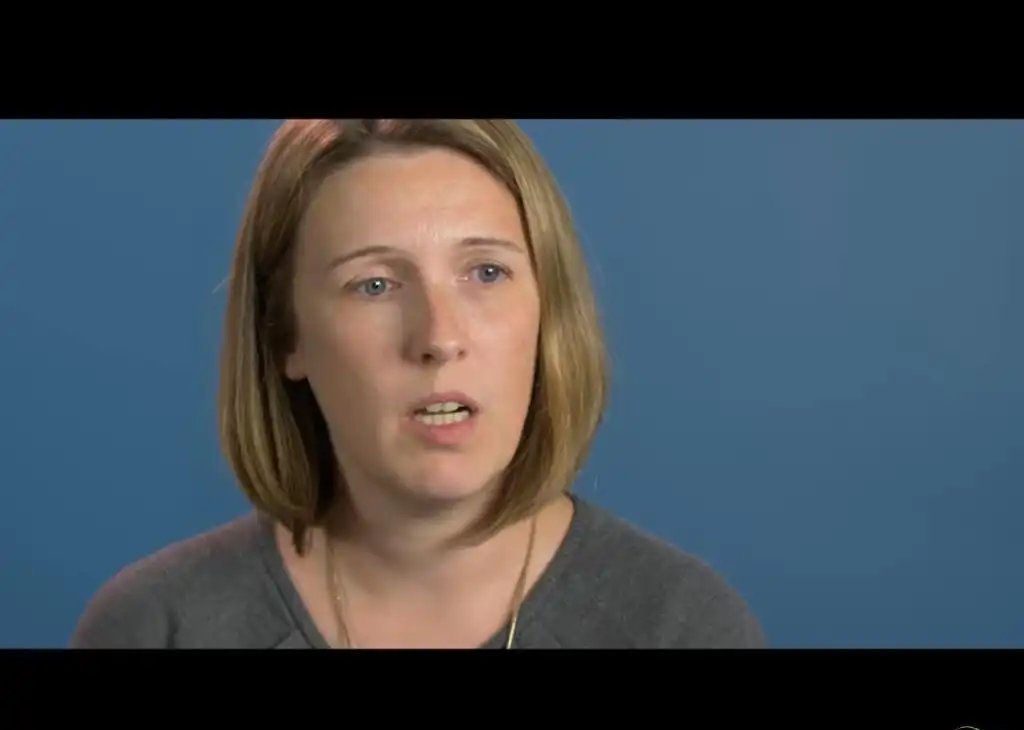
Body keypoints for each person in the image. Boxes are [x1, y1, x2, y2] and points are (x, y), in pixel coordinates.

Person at [70, 119, 767, 649]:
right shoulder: (156, 625)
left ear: (545, 309)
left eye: (486, 272)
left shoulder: (680, 624)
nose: (438, 336)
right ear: (287, 338)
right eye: (374, 284)